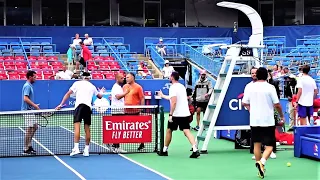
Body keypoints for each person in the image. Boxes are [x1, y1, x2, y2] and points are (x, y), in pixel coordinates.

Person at [242, 67, 284, 179]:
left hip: (254, 120)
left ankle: (260, 168)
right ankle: (262, 162)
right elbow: (277, 104)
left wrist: (251, 109)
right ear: (267, 76)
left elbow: (244, 102)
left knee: (256, 144)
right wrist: (282, 116)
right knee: (270, 146)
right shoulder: (270, 87)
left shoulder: (249, 87)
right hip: (268, 121)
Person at [55, 72, 103, 157]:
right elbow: (100, 96)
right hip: (88, 108)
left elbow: (68, 94)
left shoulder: (77, 83)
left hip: (79, 107)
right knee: (87, 129)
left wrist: (61, 104)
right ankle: (86, 150)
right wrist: (101, 92)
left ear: (82, 77)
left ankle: (76, 148)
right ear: (89, 78)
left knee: (77, 127)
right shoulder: (92, 86)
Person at [157, 71, 200, 158]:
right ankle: (195, 149)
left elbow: (174, 102)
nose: (169, 78)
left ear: (172, 77)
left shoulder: (173, 88)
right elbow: (172, 98)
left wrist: (170, 115)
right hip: (185, 113)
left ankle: (164, 150)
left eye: (170, 76)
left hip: (176, 115)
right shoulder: (182, 87)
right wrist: (162, 95)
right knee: (186, 131)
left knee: (169, 130)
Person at [122, 72, 145, 150]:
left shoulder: (138, 87)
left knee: (138, 128)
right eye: (126, 77)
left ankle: (142, 144)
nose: (126, 78)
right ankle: (116, 143)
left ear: (133, 78)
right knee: (122, 127)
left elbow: (142, 98)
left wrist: (141, 109)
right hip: (126, 111)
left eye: (128, 77)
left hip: (135, 111)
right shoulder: (124, 86)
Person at [110, 73, 130, 151]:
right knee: (117, 129)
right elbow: (118, 97)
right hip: (116, 110)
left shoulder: (119, 87)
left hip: (120, 110)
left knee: (118, 129)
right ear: (117, 79)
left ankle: (115, 145)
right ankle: (116, 146)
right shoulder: (116, 87)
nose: (123, 79)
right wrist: (126, 92)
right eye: (121, 78)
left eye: (123, 78)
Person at [22, 70, 40, 155]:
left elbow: (28, 99)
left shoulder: (29, 86)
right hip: (27, 111)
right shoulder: (27, 86)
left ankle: (29, 145)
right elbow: (25, 99)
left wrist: (33, 105)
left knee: (35, 127)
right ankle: (26, 148)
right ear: (30, 77)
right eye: (34, 77)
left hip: (30, 110)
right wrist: (35, 106)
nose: (36, 79)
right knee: (29, 129)